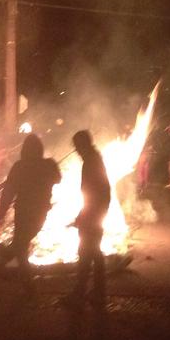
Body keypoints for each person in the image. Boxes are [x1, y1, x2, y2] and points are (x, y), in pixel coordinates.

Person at [0, 134, 61, 296]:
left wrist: (2, 212)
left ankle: (4, 263)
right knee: (21, 244)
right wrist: (50, 167)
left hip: (24, 212)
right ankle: (22, 280)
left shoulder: (20, 166)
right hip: (39, 213)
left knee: (20, 245)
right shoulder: (48, 165)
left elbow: (8, 192)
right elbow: (57, 179)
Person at [61, 130, 111, 310]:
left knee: (85, 253)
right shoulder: (94, 160)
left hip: (93, 213)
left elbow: (93, 192)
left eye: (77, 147)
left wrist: (84, 216)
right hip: (96, 212)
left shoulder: (91, 162)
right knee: (94, 253)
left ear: (83, 145)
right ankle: (97, 293)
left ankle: (80, 294)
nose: (76, 150)